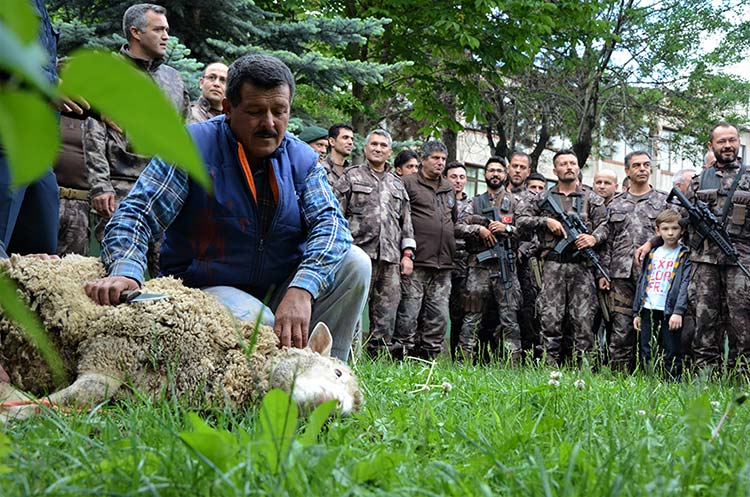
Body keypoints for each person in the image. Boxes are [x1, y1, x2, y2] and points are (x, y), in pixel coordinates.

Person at [85, 53, 370, 362]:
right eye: (255, 111)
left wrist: (303, 287)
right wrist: (127, 269)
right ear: (228, 108)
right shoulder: (192, 146)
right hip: (205, 289)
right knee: (258, 320)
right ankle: (260, 388)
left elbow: (331, 226)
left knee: (355, 262)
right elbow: (137, 213)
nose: (270, 123)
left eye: (280, 111)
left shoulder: (301, 159)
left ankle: (329, 373)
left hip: (281, 290)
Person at [85, 3, 189, 276]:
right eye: (159, 30)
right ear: (136, 33)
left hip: (164, 190)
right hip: (119, 188)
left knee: (162, 277)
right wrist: (99, 186)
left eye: (167, 30)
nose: (166, 36)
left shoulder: (174, 79)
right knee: (118, 272)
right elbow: (94, 132)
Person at [638, 123, 750, 373]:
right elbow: (676, 219)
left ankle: (741, 377)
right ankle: (705, 377)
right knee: (704, 322)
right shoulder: (699, 181)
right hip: (705, 262)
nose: (728, 145)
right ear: (712, 145)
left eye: (732, 140)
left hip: (739, 261)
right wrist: (651, 242)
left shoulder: (748, 176)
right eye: (721, 142)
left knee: (741, 322)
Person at [516, 149, 609, 365]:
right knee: (550, 321)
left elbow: (605, 227)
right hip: (551, 267)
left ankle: (584, 371)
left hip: (582, 269)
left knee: (584, 323)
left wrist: (593, 239)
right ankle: (549, 370)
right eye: (563, 163)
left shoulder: (591, 198)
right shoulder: (542, 198)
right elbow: (520, 221)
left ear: (578, 168)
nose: (568, 167)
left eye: (572, 163)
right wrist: (545, 222)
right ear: (555, 169)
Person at [334, 129, 415, 358]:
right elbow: (336, 214)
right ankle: (349, 356)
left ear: (390, 151)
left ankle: (378, 359)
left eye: (383, 145)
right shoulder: (351, 176)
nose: (378, 149)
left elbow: (406, 222)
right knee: (353, 310)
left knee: (385, 314)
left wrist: (407, 254)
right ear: (366, 147)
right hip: (358, 255)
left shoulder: (398, 184)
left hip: (390, 259)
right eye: (374, 144)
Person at [599, 151, 668, 371]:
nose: (642, 169)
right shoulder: (615, 204)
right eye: (636, 165)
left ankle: (652, 373)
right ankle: (620, 377)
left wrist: (651, 242)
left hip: (653, 274)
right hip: (621, 275)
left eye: (646, 165)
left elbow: (674, 234)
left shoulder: (664, 201)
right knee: (621, 328)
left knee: (653, 325)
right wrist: (603, 273)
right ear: (627, 171)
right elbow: (607, 240)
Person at [395, 140, 457, 359]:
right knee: (409, 315)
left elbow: (453, 219)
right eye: (435, 158)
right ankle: (401, 360)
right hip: (416, 261)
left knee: (438, 317)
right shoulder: (407, 183)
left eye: (443, 159)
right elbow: (400, 220)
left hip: (444, 265)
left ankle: (428, 362)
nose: (440, 163)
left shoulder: (449, 187)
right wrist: (405, 254)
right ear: (423, 160)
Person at [457, 156, 522, 363]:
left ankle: (513, 366)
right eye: (491, 170)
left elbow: (528, 230)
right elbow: (457, 227)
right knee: (471, 317)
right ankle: (464, 363)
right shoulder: (473, 202)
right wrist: (479, 229)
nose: (495, 174)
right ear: (485, 174)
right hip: (479, 267)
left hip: (505, 267)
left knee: (510, 318)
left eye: (499, 171)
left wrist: (507, 228)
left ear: (506, 174)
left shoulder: (516, 203)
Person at [632, 209, 690, 379]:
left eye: (674, 228)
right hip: (649, 307)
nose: (670, 233)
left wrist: (678, 311)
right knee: (646, 349)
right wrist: (637, 311)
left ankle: (672, 383)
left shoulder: (684, 254)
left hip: (670, 310)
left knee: (671, 349)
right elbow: (642, 282)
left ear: (682, 231)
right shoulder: (651, 253)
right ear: (657, 231)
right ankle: (647, 381)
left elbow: (685, 284)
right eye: (665, 229)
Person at [445, 161, 480, 359]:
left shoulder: (473, 204)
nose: (458, 181)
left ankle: (458, 356)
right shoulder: (440, 200)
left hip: (465, 263)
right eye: (453, 177)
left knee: (461, 313)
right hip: (442, 260)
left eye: (462, 177)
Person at [54, 114, 91, 256]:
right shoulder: (50, 107)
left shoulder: (96, 119)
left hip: (80, 204)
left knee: (74, 263)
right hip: (47, 197)